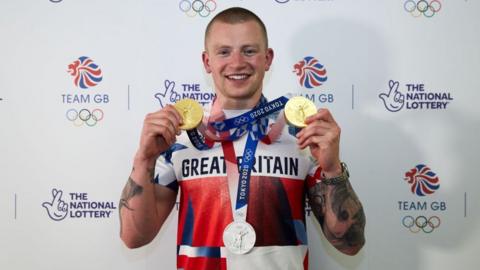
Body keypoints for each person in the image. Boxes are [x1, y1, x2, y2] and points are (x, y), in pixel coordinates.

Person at [119, 7, 365, 270]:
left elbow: (350, 243)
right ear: (207, 61)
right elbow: (134, 237)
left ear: (268, 58)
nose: (237, 63)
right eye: (224, 51)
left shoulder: (301, 132)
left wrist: (331, 168)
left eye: (249, 51)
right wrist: (144, 159)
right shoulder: (180, 136)